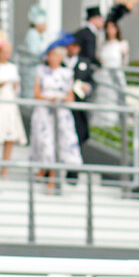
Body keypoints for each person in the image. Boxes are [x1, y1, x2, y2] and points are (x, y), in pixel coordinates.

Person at [29, 43, 82, 192]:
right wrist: (49, 99)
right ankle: (45, 174)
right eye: (50, 55)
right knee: (45, 144)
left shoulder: (67, 73)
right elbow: (36, 93)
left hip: (61, 114)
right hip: (44, 113)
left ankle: (52, 180)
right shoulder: (41, 71)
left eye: (55, 55)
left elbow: (70, 96)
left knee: (59, 145)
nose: (52, 58)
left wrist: (61, 99)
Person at [0, 40, 27, 179]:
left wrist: (15, 85)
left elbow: (17, 88)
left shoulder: (12, 67)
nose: (5, 55)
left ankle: (5, 168)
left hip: (10, 104)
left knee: (9, 137)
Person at [93, 11, 129, 126]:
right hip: (103, 76)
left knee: (115, 99)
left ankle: (114, 123)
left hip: (115, 75)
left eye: (112, 28)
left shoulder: (121, 44)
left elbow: (124, 62)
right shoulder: (102, 44)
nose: (110, 31)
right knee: (103, 99)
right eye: (108, 28)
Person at [64, 37, 95, 147]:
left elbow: (91, 81)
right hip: (63, 103)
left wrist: (87, 87)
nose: (72, 49)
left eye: (75, 47)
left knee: (79, 130)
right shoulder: (60, 61)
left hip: (78, 102)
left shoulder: (84, 62)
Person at [21, 4, 49, 98]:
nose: (46, 26)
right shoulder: (32, 35)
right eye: (44, 23)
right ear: (37, 24)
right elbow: (35, 54)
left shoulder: (37, 36)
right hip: (30, 73)